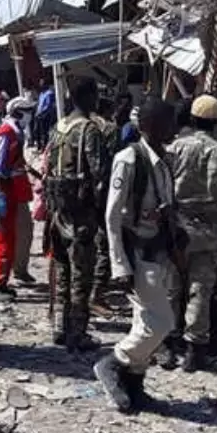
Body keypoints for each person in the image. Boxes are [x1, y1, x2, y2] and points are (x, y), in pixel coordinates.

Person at [93, 100, 180, 412]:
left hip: (158, 251)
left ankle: (135, 385)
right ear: (148, 126)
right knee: (161, 323)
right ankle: (113, 362)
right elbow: (112, 216)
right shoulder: (129, 159)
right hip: (136, 253)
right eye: (168, 121)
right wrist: (119, 264)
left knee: (144, 321)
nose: (174, 127)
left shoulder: (165, 161)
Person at [166, 95, 217, 372]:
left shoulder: (174, 149)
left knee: (172, 287)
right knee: (201, 290)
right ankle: (194, 350)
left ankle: (167, 345)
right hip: (211, 229)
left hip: (177, 226)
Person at [43, 78, 106, 352]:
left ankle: (59, 326)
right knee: (82, 272)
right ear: (89, 97)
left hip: (56, 209)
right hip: (80, 212)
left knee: (61, 268)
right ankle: (77, 332)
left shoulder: (59, 127)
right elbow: (100, 172)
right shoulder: (88, 129)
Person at [0, 97, 35, 296]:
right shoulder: (7, 133)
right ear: (17, 112)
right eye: (27, 111)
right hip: (5, 189)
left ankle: (3, 279)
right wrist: (0, 195)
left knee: (10, 236)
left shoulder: (15, 131)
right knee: (3, 236)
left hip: (13, 189)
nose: (30, 115)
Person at [91, 96, 121, 309]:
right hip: (104, 193)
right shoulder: (110, 129)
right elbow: (112, 162)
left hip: (81, 194)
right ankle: (97, 294)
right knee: (105, 244)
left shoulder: (80, 124)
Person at [34, 81, 56, 149]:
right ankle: (39, 146)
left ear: (46, 85)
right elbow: (39, 104)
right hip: (38, 115)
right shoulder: (41, 94)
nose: (41, 86)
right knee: (36, 130)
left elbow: (48, 105)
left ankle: (44, 147)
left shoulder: (49, 93)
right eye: (40, 84)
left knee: (44, 132)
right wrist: (37, 112)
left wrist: (40, 113)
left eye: (42, 84)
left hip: (45, 115)